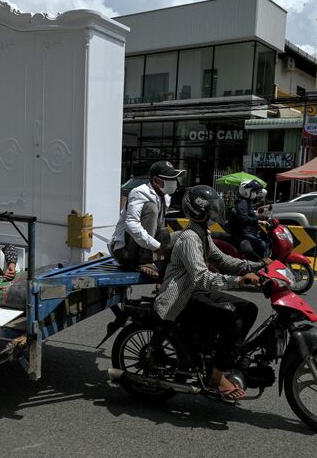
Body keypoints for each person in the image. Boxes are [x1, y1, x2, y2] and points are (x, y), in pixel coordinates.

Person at [154, 185, 263, 401]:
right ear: (199, 211)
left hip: (195, 291)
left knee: (249, 309)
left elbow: (222, 259)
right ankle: (215, 377)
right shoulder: (189, 239)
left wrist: (256, 266)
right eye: (211, 210)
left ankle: (225, 357)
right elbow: (202, 277)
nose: (214, 214)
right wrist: (238, 280)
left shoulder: (202, 233)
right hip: (181, 298)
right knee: (232, 320)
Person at [110, 160, 185, 279]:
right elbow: (131, 224)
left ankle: (166, 274)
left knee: (185, 235)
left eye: (174, 179)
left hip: (147, 247)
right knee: (151, 208)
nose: (174, 182)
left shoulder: (166, 198)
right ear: (155, 181)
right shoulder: (140, 192)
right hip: (125, 250)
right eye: (169, 179)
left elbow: (158, 229)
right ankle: (145, 260)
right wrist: (156, 246)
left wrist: (160, 245)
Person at [228, 179, 268, 259]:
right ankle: (255, 264)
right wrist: (258, 221)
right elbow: (244, 219)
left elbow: (249, 214)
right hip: (241, 234)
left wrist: (260, 217)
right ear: (246, 191)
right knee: (262, 245)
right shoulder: (242, 203)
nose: (255, 194)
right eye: (254, 191)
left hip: (246, 231)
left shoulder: (246, 202)